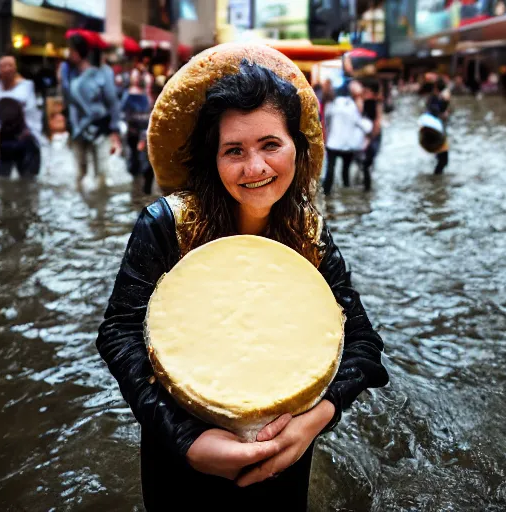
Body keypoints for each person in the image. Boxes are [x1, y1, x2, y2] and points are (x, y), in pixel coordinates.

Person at [95, 46, 389, 509]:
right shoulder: (165, 225)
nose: (255, 168)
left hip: (282, 453)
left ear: (298, 146)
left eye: (271, 145)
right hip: (182, 456)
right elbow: (119, 333)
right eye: (234, 150)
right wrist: (186, 438)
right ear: (212, 158)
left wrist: (314, 421)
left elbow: (364, 345)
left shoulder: (308, 234)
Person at [64, 33, 122, 184]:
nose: (68, 54)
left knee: (101, 172)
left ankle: (100, 204)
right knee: (79, 173)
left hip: (99, 128)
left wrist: (114, 129)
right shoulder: (69, 73)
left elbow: (112, 102)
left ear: (78, 52)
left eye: (71, 50)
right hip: (77, 129)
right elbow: (70, 102)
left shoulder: (102, 73)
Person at [322, 80, 372, 195]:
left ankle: (327, 193)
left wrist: (327, 136)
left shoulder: (331, 104)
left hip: (333, 143)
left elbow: (326, 123)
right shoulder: (352, 105)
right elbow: (358, 122)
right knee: (345, 171)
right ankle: (346, 190)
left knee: (330, 169)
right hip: (347, 145)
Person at [122, 57, 153, 178]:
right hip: (131, 131)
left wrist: (142, 136)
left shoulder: (144, 96)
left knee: (140, 159)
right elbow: (123, 112)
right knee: (133, 158)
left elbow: (145, 117)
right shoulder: (128, 94)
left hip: (139, 131)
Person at [424, 78, 451, 175]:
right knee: (443, 160)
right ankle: (435, 177)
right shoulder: (434, 99)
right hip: (436, 132)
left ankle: (436, 177)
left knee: (442, 160)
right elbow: (435, 112)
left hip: (438, 132)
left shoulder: (436, 98)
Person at [361, 79, 383, 192]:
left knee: (367, 163)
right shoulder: (369, 102)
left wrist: (370, 138)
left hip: (372, 136)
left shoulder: (373, 103)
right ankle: (366, 187)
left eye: (366, 90)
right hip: (369, 136)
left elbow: (377, 122)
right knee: (366, 163)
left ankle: (367, 189)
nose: (364, 92)